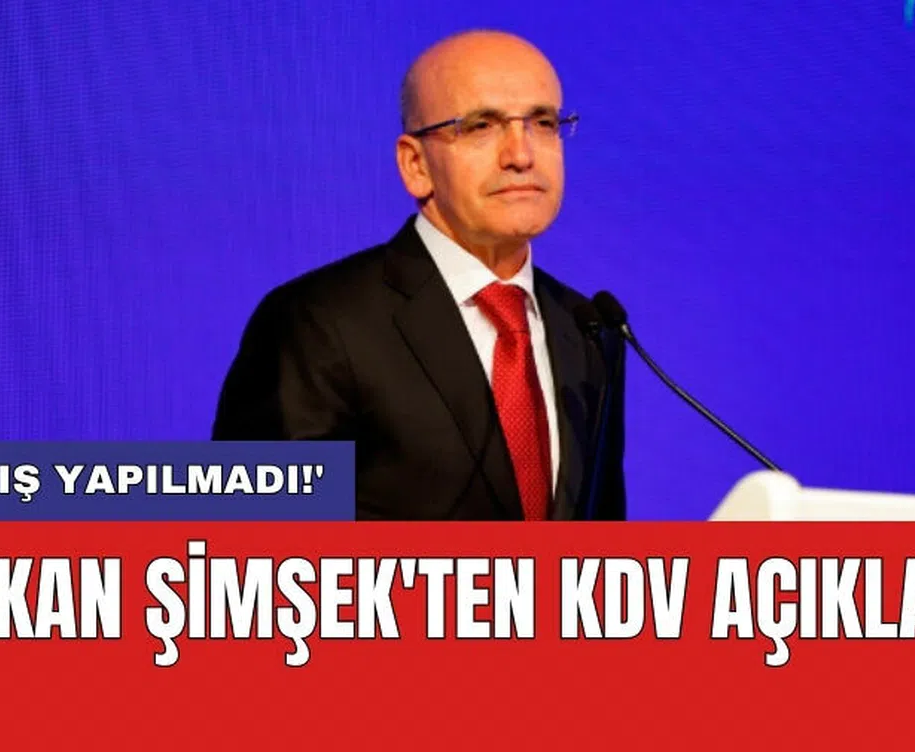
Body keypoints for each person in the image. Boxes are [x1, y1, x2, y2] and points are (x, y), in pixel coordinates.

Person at [211, 30, 626, 520]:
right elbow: (259, 540)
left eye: (543, 122)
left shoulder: (587, 328)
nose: (521, 154)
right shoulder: (317, 323)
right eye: (481, 126)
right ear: (415, 165)